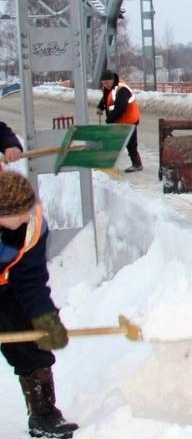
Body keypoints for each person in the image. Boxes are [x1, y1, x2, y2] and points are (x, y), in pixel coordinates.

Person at [0, 169, 77, 438]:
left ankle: (44, 414)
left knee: (29, 344)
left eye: (28, 209)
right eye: (19, 213)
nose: (26, 216)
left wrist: (45, 317)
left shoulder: (34, 224)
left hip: (5, 285)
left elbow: (31, 280)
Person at [97, 70, 142, 173]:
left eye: (107, 83)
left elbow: (120, 108)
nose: (105, 85)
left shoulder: (122, 89)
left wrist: (109, 120)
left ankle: (137, 164)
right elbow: (106, 98)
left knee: (130, 143)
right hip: (121, 121)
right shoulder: (110, 88)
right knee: (118, 141)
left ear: (113, 80)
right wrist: (100, 107)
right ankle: (110, 163)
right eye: (103, 83)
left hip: (130, 119)